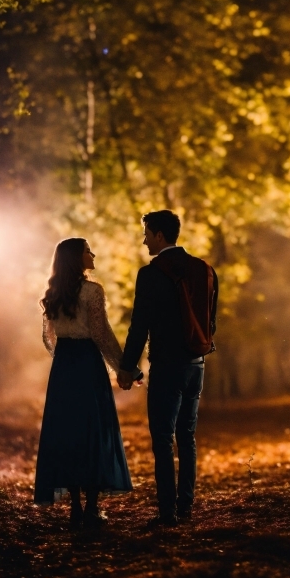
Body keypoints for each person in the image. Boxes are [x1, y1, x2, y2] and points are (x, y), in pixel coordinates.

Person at [118, 210, 218, 527]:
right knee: (186, 436)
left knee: (162, 438)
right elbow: (210, 321)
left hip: (166, 366)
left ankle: (167, 513)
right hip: (196, 364)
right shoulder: (205, 270)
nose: (144, 239)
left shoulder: (150, 274)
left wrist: (127, 366)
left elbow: (139, 327)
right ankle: (185, 507)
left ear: (159, 235)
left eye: (147, 233)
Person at [34, 237, 137, 527]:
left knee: (68, 431)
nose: (93, 254)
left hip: (65, 366)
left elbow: (49, 338)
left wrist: (64, 357)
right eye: (87, 250)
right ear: (77, 258)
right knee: (93, 431)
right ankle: (92, 508)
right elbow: (101, 334)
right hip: (88, 365)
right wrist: (124, 368)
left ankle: (76, 508)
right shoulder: (93, 291)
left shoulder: (53, 293)